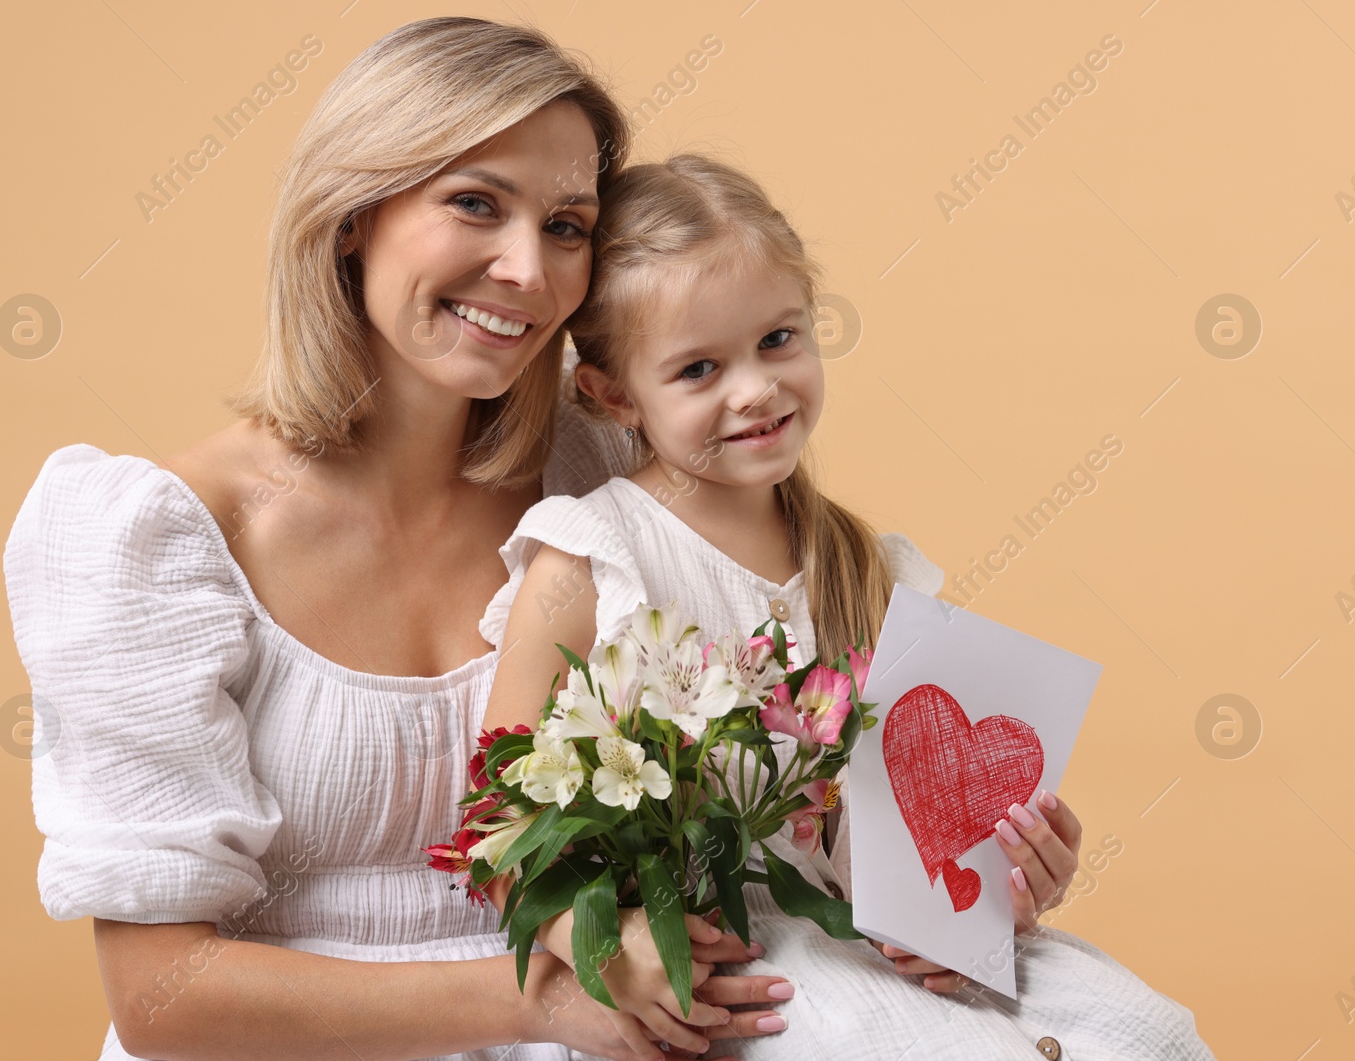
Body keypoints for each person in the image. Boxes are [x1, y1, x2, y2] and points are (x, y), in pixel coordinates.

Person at [2, 20, 790, 1061]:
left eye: (565, 224)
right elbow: (162, 995)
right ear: (351, 217)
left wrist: (969, 854)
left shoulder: (605, 467)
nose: (526, 267)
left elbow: (787, 696)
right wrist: (537, 998)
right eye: (474, 203)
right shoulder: (160, 536)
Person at [478, 152, 1220, 1059]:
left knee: (1148, 1030)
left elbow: (882, 833)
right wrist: (596, 947)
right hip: (713, 953)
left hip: (854, 935)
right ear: (612, 393)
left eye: (779, 340)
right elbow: (495, 824)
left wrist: (989, 894)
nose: (755, 388)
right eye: (700, 368)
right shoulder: (594, 553)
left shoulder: (860, 564)